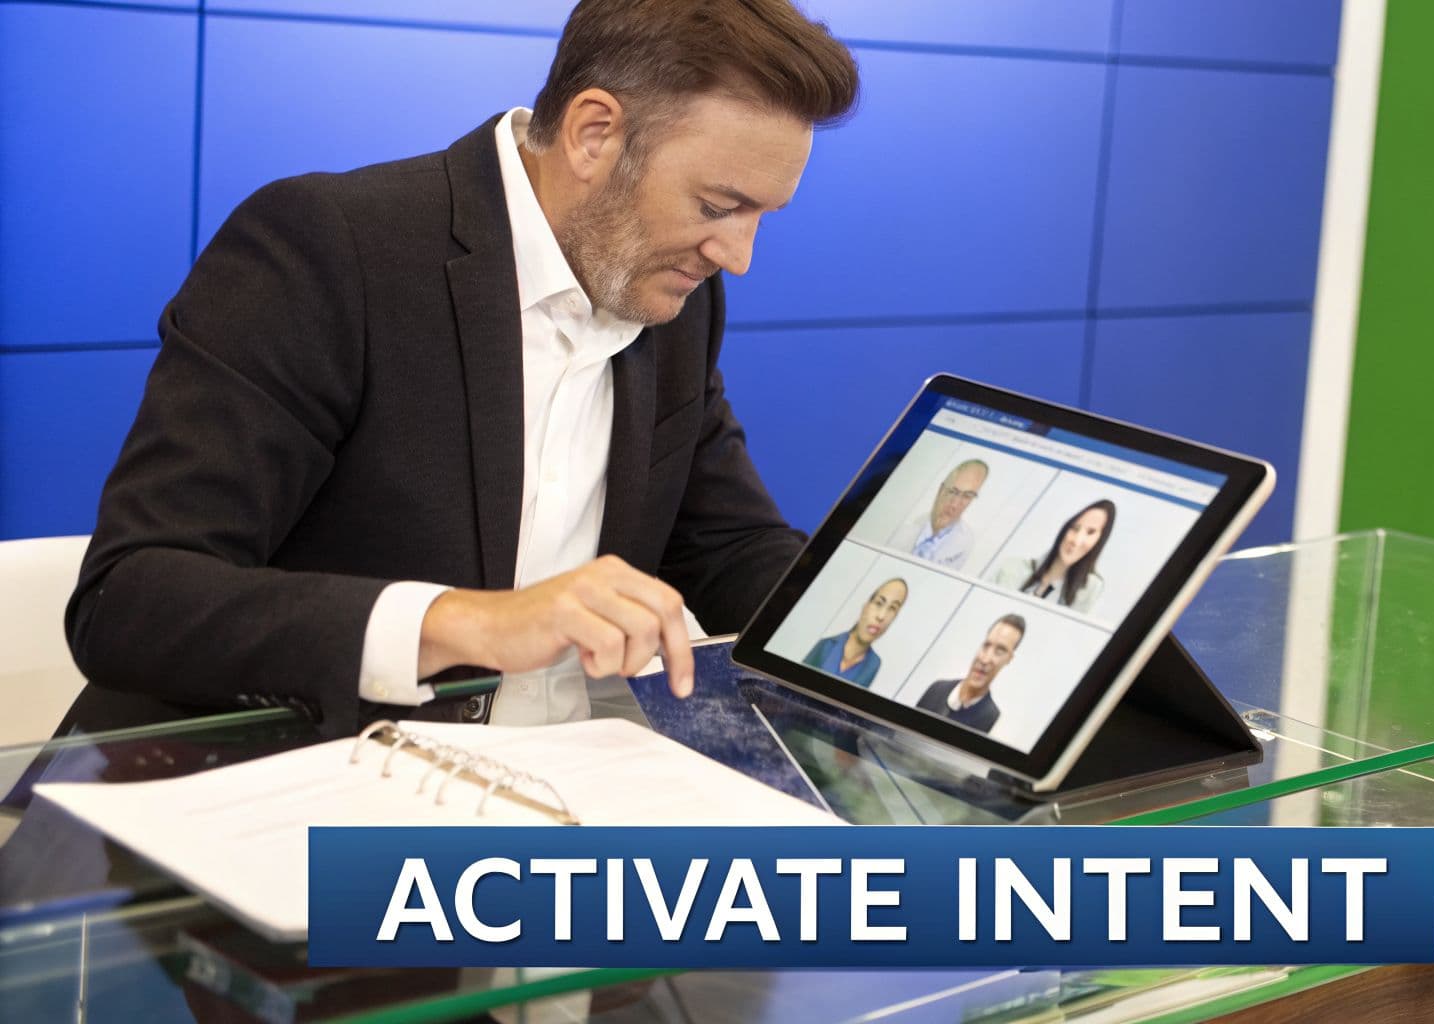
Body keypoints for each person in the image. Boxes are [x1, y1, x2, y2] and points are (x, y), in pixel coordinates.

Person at [62, 0, 860, 736]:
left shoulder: (675, 295)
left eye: (762, 215)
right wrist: (469, 622)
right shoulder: (327, 249)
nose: (738, 256)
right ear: (593, 134)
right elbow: (130, 600)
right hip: (271, 794)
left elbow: (728, 549)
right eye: (718, 207)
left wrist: (884, 646)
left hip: (557, 803)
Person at [990, 499, 1116, 613]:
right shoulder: (1012, 567)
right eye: (1075, 528)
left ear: (1100, 541)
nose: (1077, 541)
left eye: (1090, 532)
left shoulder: (1089, 589)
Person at [914, 613, 1024, 733]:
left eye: (999, 651)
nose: (985, 659)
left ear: (1009, 659)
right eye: (986, 645)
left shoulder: (992, 719)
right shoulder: (936, 689)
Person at [802, 578, 908, 687]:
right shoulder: (825, 645)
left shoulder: (874, 664)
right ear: (865, 606)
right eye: (879, 603)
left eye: (892, 608)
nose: (881, 616)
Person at [886, 460, 989, 570]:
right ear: (941, 490)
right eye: (952, 492)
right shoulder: (906, 522)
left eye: (967, 496)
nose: (954, 504)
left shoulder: (965, 542)